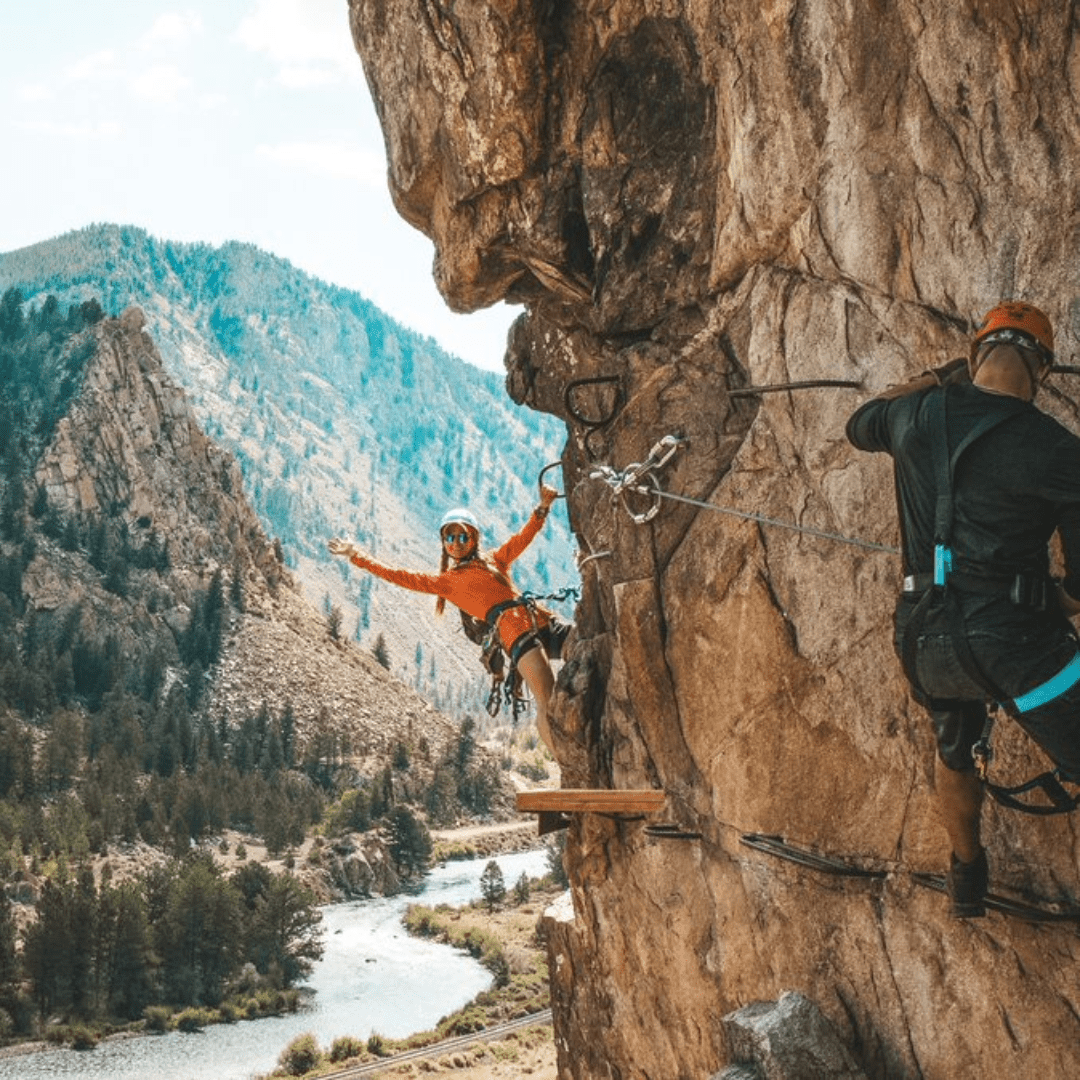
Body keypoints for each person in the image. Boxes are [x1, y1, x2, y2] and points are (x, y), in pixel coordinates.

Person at [846, 301, 1080, 917]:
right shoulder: (1057, 449)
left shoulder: (911, 417)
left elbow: (859, 421)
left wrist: (935, 377)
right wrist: (1055, 601)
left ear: (975, 355)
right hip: (1017, 650)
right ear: (1044, 371)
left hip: (925, 644)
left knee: (956, 744)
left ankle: (967, 874)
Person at [328, 485, 569, 751]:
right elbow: (398, 575)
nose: (455, 543)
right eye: (449, 538)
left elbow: (523, 538)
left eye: (462, 537)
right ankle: (567, 766)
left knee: (587, 644)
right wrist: (357, 556)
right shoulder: (446, 583)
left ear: (474, 539)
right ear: (443, 543)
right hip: (516, 635)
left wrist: (543, 507)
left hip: (541, 622)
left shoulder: (495, 561)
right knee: (547, 697)